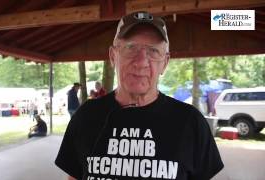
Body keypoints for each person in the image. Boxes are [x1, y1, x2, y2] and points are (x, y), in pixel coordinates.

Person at [55, 11, 224, 180]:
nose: (141, 61)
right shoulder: (86, 115)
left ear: (164, 63)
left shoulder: (191, 122)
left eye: (153, 51)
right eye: (131, 47)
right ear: (113, 56)